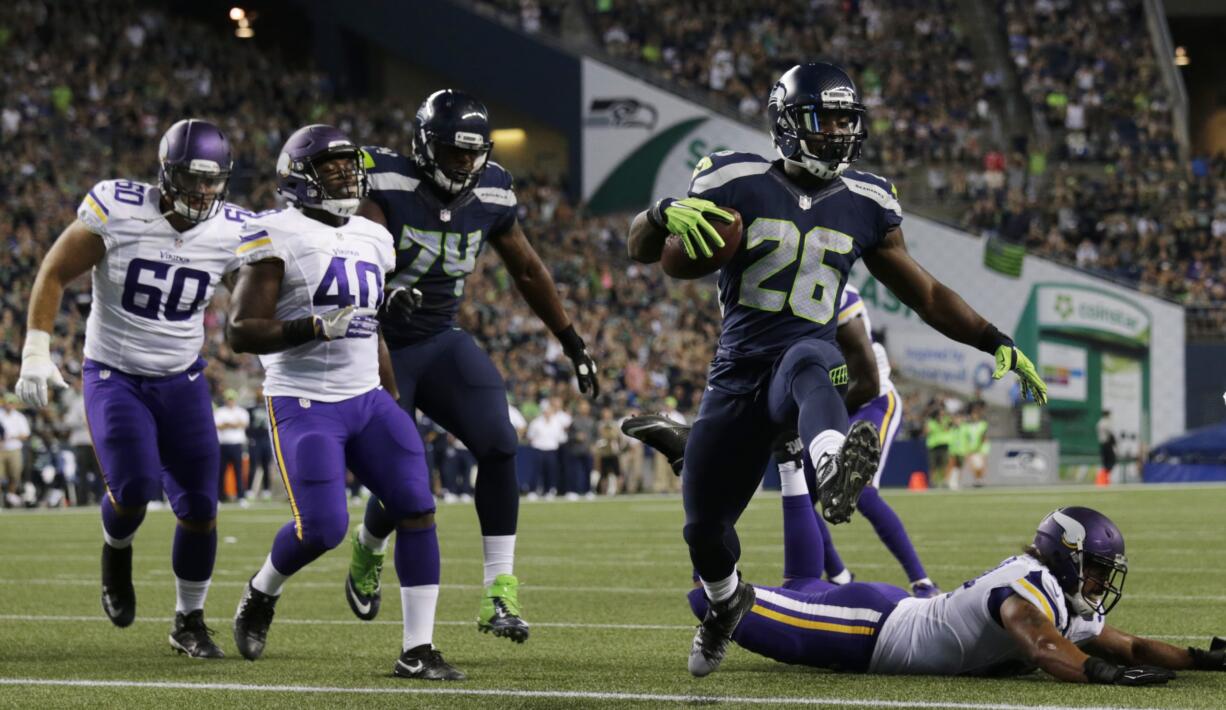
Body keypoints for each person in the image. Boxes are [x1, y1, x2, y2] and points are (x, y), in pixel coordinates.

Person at [625, 62, 1047, 676]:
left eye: (850, 120)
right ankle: (723, 606)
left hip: (802, 373)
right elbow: (644, 250)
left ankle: (831, 466)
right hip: (738, 376)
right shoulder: (733, 176)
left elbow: (925, 295)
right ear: (790, 123)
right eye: (829, 120)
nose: (841, 133)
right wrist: (659, 214)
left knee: (810, 356)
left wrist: (993, 339)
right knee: (705, 532)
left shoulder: (867, 199)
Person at [345, 90, 599, 642]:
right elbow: (352, 258)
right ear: (423, 144)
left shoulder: (494, 188)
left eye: (472, 153)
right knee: (403, 473)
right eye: (452, 151)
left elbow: (527, 270)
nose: (464, 164)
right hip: (379, 344)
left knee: (501, 443)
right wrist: (379, 296)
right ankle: (368, 547)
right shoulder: (385, 183)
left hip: (437, 338)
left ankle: (499, 592)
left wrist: (571, 340)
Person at [226, 124, 461, 680]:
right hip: (305, 401)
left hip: (367, 396)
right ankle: (262, 591)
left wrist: (391, 392)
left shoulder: (374, 235)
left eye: (347, 165)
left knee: (418, 507)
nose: (346, 175)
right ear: (300, 177)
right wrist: (311, 326)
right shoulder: (273, 232)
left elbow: (368, 324)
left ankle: (417, 649)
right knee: (324, 529)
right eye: (331, 167)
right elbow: (241, 330)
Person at [15, 118, 247, 657]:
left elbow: (259, 294)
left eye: (214, 182)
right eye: (193, 179)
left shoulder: (234, 228)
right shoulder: (118, 208)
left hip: (183, 378)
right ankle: (115, 549)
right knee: (136, 488)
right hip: (115, 373)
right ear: (166, 174)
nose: (204, 192)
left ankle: (189, 620)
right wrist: (35, 349)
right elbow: (53, 272)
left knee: (201, 508)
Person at [685, 463, 1225, 685]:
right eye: (1097, 570)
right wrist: (1100, 676)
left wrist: (1202, 659)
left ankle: (787, 457)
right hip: (867, 632)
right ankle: (696, 477)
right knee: (715, 603)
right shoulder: (1028, 588)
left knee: (802, 584)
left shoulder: (1058, 596)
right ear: (1068, 556)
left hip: (892, 614)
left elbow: (1130, 646)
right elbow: (1039, 646)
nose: (1102, 584)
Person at [625, 283, 939, 596]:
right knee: (805, 494)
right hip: (809, 399)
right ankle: (839, 577)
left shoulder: (829, 286)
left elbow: (867, 383)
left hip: (868, 399)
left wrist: (813, 422)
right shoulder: (760, 292)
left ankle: (922, 581)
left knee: (860, 491)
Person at [214, 388, 249, 504]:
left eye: (232, 399)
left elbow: (243, 424)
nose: (230, 401)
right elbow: (218, 426)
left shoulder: (241, 411)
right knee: (221, 472)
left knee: (238, 471)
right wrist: (233, 424)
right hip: (223, 444)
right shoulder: (220, 411)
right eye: (228, 399)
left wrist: (228, 424)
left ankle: (241, 496)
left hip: (236, 444)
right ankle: (220, 497)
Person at [0, 394, 30, 507]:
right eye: (7, 402)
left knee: (14, 475)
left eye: (11, 402)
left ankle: (10, 497)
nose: (9, 404)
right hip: (1, 449)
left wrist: (12, 437)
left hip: (14, 449)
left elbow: (26, 434)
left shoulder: (19, 417)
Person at [1097, 410, 1116, 483]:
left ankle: (1104, 479)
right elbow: (1110, 433)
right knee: (1111, 461)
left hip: (1103, 444)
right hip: (1107, 444)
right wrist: (1115, 443)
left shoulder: (1099, 423)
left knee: (1105, 463)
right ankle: (1103, 479)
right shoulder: (1106, 423)